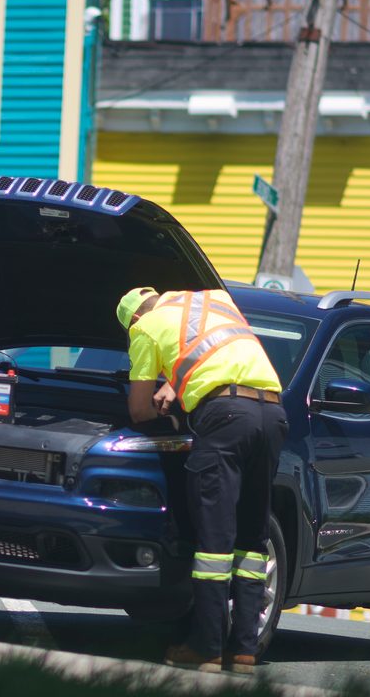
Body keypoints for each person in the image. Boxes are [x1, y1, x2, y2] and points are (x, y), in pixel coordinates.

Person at [116, 285, 286, 673]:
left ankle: (206, 647)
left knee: (214, 539)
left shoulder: (145, 328)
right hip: (272, 414)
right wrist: (175, 382)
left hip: (225, 418)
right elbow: (213, 351)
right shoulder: (214, 301)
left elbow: (139, 410)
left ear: (135, 319)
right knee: (252, 536)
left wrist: (171, 413)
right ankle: (244, 650)